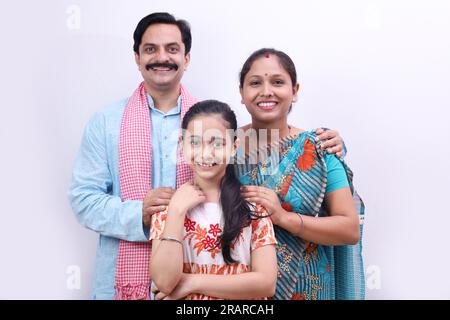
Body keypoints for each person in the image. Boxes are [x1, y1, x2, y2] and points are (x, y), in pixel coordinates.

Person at [68, 11, 344, 300]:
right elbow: (83, 199)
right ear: (137, 57)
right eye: (150, 49)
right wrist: (142, 214)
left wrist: (326, 142)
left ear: (186, 58)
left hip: (220, 285)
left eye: (172, 49)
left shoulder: (207, 117)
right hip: (123, 281)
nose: (162, 57)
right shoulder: (106, 122)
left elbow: (268, 140)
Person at [235, 48, 365, 300]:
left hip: (308, 285)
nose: (266, 91)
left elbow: (349, 229)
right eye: (254, 83)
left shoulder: (318, 148)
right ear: (242, 93)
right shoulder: (222, 149)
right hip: (242, 287)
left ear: (294, 91)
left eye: (277, 82)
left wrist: (284, 217)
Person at [149, 100, 277, 300]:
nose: (205, 153)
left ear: (233, 148)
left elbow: (266, 284)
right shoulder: (168, 210)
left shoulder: (253, 209)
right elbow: (164, 282)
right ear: (182, 146)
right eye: (194, 142)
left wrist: (191, 282)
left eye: (217, 143)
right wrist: (176, 212)